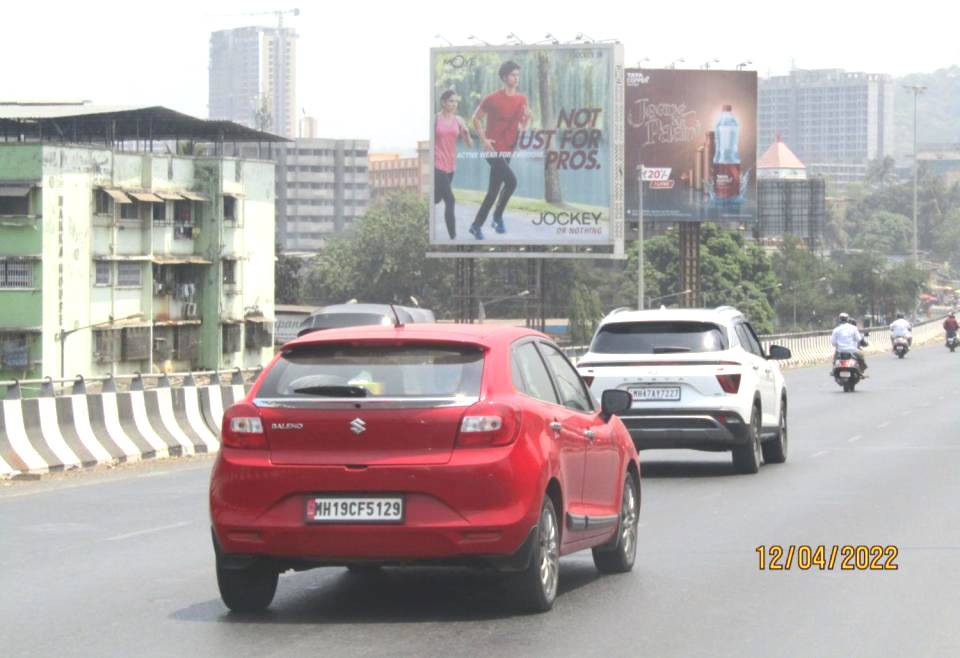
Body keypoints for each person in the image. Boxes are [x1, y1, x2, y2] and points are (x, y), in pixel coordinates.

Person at [468, 60, 532, 240]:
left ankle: (476, 226)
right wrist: (484, 139)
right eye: (513, 75)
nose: (516, 78)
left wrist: (527, 120)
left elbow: (522, 128)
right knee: (511, 181)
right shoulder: (492, 99)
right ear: (504, 77)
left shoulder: (522, 99)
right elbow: (475, 118)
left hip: (508, 150)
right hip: (492, 149)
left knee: (493, 192)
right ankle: (496, 217)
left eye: (518, 75)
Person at [434, 90, 473, 240]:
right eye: (451, 101)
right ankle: (453, 237)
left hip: (450, 165)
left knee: (437, 198)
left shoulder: (459, 120)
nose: (454, 104)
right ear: (443, 102)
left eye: (456, 101)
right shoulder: (435, 119)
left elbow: (469, 145)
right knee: (450, 199)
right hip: (437, 164)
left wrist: (467, 133)